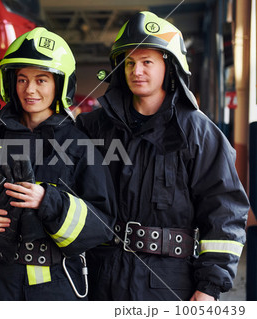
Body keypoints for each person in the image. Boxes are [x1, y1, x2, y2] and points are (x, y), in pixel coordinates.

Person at [75, 11, 249, 301]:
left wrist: (209, 288)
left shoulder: (198, 133)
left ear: (169, 67)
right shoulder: (93, 127)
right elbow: (45, 147)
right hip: (98, 278)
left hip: (169, 284)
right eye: (129, 62)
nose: (136, 71)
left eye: (147, 62)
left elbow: (224, 212)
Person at [0, 27, 116, 301]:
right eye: (22, 79)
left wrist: (48, 201)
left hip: (51, 293)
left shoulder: (80, 145)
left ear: (60, 84)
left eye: (41, 80)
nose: (30, 89)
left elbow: (102, 224)